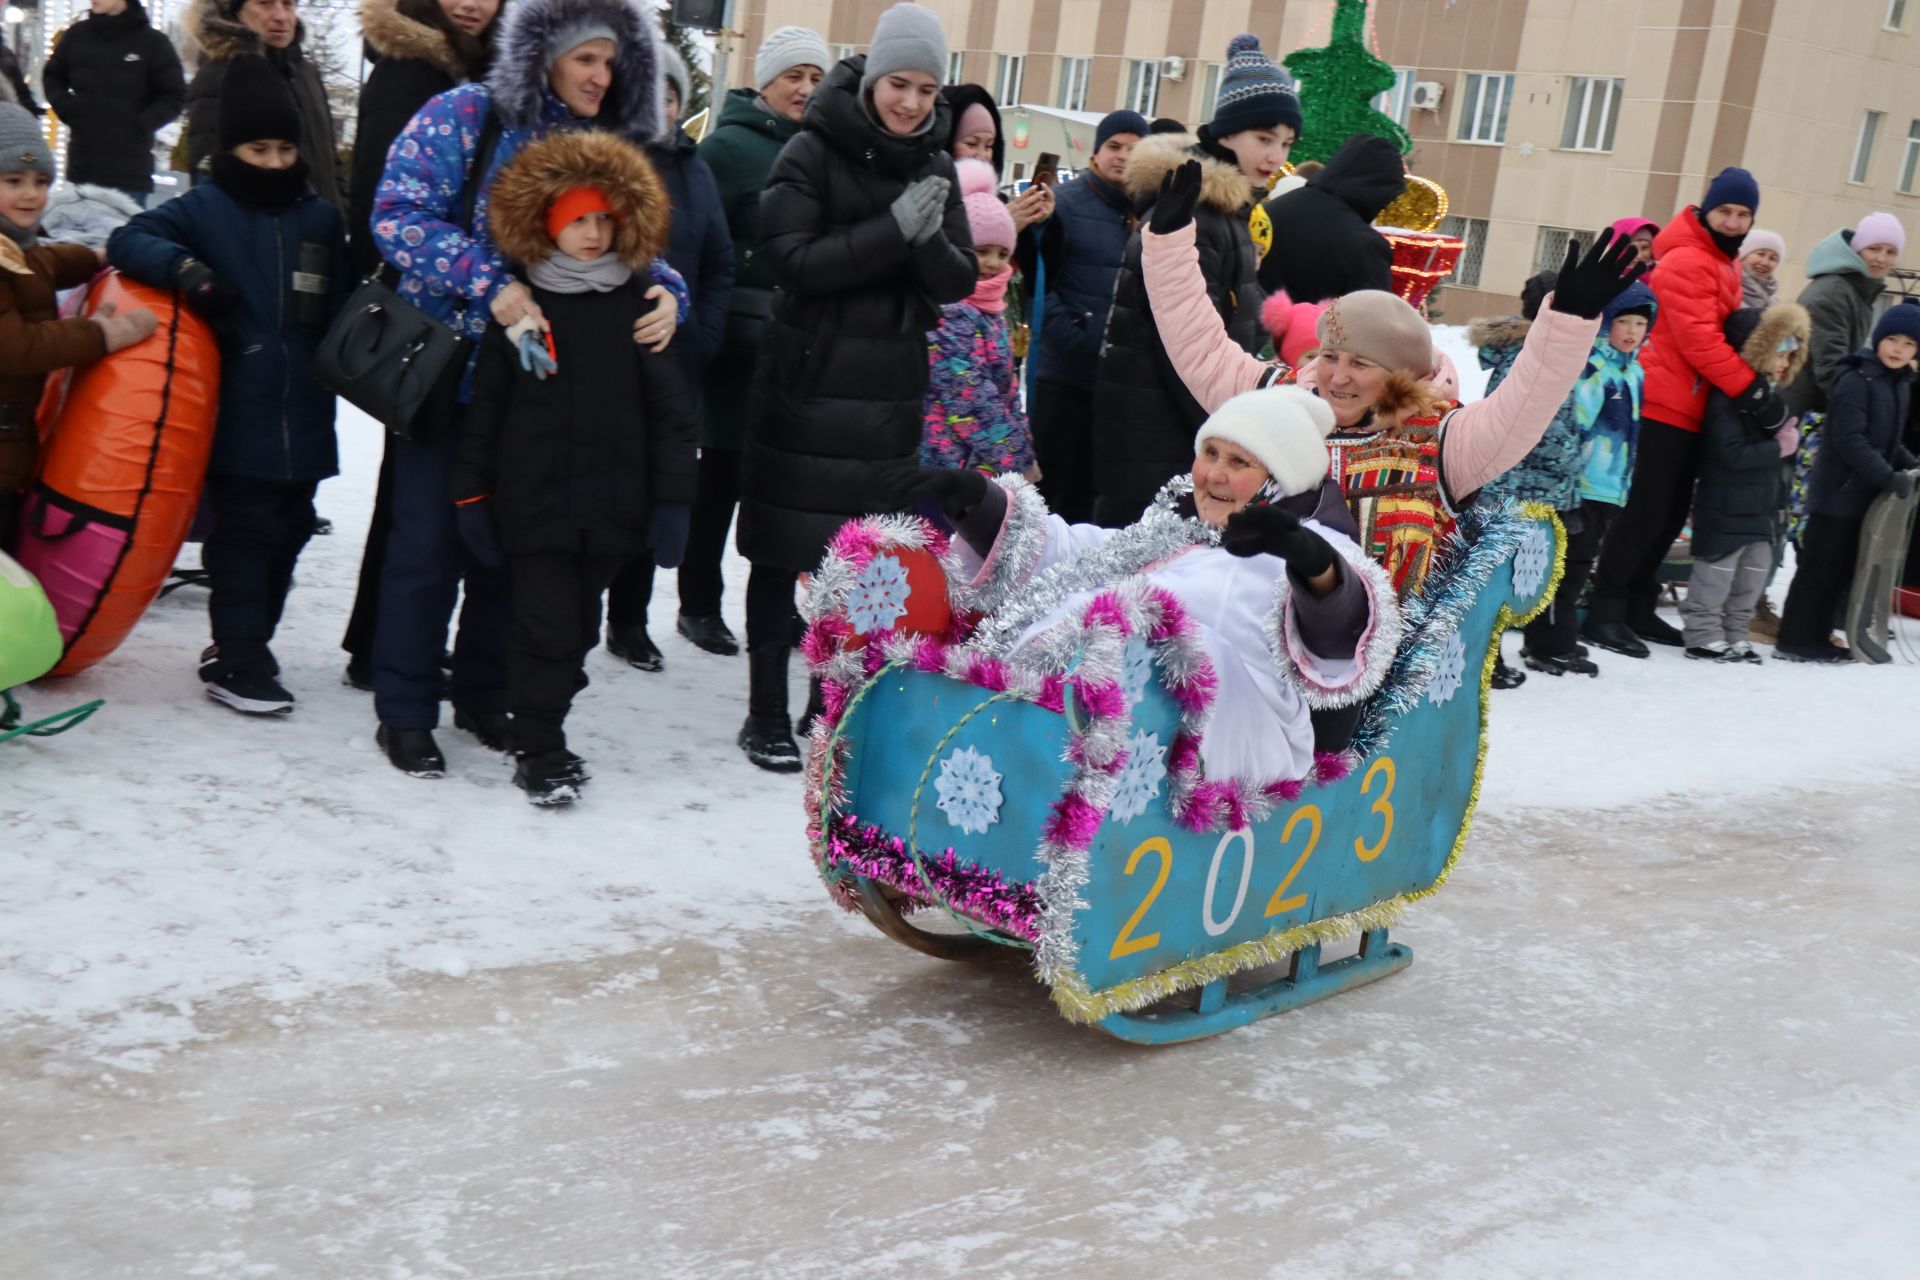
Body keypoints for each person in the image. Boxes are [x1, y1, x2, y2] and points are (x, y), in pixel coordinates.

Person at [367, 0, 688, 778]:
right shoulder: (465, 113)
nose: (600, 76)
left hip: (541, 399)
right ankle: (404, 710)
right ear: (545, 53)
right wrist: (488, 283)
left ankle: (483, 695)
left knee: (509, 559)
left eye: (611, 63)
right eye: (586, 59)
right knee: (427, 549)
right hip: (448, 376)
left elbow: (630, 244)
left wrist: (671, 291)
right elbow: (397, 215)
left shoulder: (600, 147)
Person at [1139, 165, 1646, 598]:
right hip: (1247, 632)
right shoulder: (1274, 400)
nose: (1338, 375)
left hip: (1377, 670)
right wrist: (1167, 245)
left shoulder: (1444, 440)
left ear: (1401, 373)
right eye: (1332, 355)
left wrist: (1568, 321)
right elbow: (1196, 341)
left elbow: (1525, 405)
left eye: (1362, 364)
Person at [897, 385, 1399, 784]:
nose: (1214, 476)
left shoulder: (1309, 542)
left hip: (1236, 741)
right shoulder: (1180, 527)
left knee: (1149, 619)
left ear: (1279, 480)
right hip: (1120, 713)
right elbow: (1081, 555)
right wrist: (976, 504)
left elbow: (1345, 630)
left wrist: (1311, 564)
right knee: (1111, 607)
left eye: (1240, 463)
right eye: (1211, 453)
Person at [738, 2, 975, 771]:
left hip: (887, 398)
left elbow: (958, 279)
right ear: (872, 79)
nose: (910, 102)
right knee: (784, 551)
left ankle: (825, 703)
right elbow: (790, 262)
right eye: (898, 83)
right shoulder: (812, 150)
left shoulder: (937, 164)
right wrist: (893, 233)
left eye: (925, 89)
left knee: (858, 561)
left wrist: (930, 236)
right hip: (807, 387)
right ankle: (766, 711)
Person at [453, 129, 696, 802]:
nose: (591, 234)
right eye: (576, 220)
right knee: (545, 627)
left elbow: (673, 415)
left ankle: (541, 722)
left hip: (613, 508)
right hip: (535, 504)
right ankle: (540, 746)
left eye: (601, 219)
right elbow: (488, 412)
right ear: (548, 225)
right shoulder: (524, 309)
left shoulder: (639, 304)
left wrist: (674, 503)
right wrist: (471, 493)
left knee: (578, 629)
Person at [107, 55, 350, 713]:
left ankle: (247, 645)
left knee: (291, 532)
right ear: (230, 149)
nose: (274, 161)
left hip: (305, 411)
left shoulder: (321, 220)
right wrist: (187, 271)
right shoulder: (201, 209)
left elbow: (343, 301)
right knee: (245, 538)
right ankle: (239, 658)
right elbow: (128, 238)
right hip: (237, 412)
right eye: (258, 148)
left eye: (284, 148)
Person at [338, 0, 505, 692]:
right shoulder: (409, 73)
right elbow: (381, 207)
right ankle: (379, 643)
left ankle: (387, 640)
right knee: (413, 503)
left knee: (429, 500)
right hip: (428, 316)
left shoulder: (497, 67)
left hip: (473, 327)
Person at [1091, 32, 1299, 527]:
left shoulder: (1227, 211)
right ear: (1227, 134)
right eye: (1264, 139)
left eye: (1287, 143)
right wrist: (1229, 430)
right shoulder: (1198, 213)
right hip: (1163, 427)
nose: (1275, 155)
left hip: (1182, 422)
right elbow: (1182, 341)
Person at [1583, 168, 1774, 657]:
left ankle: (1637, 606)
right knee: (1644, 514)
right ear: (1705, 211)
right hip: (1664, 402)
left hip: (1690, 408)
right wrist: (1753, 392)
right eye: (1724, 211)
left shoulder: (1722, 262)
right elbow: (1699, 340)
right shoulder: (1689, 259)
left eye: (1742, 214)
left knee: (1667, 518)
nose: (1732, 222)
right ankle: (1606, 610)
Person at [682, 24, 827, 662]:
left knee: (774, 491)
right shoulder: (727, 149)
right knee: (717, 480)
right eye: (794, 75)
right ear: (765, 79)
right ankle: (697, 602)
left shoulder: (820, 151)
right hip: (734, 348)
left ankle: (771, 608)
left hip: (792, 350)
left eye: (817, 78)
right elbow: (701, 244)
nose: (805, 88)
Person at [600, 44, 735, 673]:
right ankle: (579, 610)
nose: (663, 106)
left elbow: (718, 263)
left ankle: (628, 620)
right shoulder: (604, 158)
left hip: (675, 359)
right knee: (604, 487)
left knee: (657, 489)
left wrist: (701, 336)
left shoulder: (695, 169)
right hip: (605, 359)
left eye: (673, 95)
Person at [1480, 283, 1658, 679]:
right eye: (1622, 321)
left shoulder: (1632, 370)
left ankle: (1553, 638)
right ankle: (1546, 643)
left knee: (1570, 565)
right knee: (1553, 567)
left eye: (1639, 323)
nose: (1631, 331)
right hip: (1568, 486)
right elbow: (1565, 427)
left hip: (1600, 486)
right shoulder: (1588, 368)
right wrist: (1572, 473)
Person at [0, 101, 156, 544]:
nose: (31, 195)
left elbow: (48, 263)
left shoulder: (20, 246)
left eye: (41, 182)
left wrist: (102, 255)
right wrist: (99, 335)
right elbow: (16, 347)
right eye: (14, 181)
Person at [1776, 303, 1920, 662]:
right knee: (1819, 567)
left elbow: (1890, 441)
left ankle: (1817, 636)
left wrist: (1911, 465)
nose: (1898, 349)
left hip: (1865, 495)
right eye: (1892, 339)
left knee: (1841, 570)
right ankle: (1794, 639)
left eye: (1908, 343)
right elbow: (1849, 438)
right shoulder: (1857, 378)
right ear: (1878, 338)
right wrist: (1889, 476)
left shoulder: (1899, 384)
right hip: (1838, 493)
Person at [1025, 107, 1144, 522]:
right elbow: (1040, 281)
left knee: (1093, 497)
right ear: (1096, 153)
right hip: (1063, 376)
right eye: (1114, 146)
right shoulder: (1067, 203)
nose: (1123, 156)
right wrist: (1075, 334)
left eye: (1134, 149)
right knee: (1049, 493)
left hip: (1116, 383)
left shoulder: (1149, 213)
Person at [1682, 303, 1809, 662]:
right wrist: (1778, 447)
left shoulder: (1771, 400)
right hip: (1724, 504)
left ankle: (1737, 631)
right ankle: (1703, 632)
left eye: (1790, 356)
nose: (1783, 363)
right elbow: (1732, 455)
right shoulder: (1728, 399)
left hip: (1759, 511)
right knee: (1716, 575)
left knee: (1752, 577)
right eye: (1778, 354)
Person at [920, 158, 1033, 477]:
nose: (993, 263)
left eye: (1002, 253)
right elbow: (969, 397)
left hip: (980, 462)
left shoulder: (991, 308)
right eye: (981, 250)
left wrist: (1022, 439)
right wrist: (1017, 458)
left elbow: (1007, 387)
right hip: (948, 465)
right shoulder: (951, 310)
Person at [184, 0, 341, 210]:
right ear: (236, 11)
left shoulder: (306, 73)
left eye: (288, 4)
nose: (281, 16)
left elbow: (331, 161)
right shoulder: (221, 74)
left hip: (319, 231)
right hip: (261, 234)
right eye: (265, 4)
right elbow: (208, 174)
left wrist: (340, 212)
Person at [41, 0, 186, 203]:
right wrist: (69, 110)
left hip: (130, 176)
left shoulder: (152, 43)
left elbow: (175, 95)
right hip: (83, 171)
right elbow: (52, 76)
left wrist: (141, 123)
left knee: (125, 234)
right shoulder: (77, 35)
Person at [1257, 131, 1404, 304]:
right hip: (1313, 330)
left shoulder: (1271, 210)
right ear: (1380, 190)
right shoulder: (1366, 246)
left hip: (1239, 326)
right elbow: (1372, 321)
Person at [942, 83, 1050, 235]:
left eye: (989, 146)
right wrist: (1000, 226)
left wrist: (1038, 222)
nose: (982, 155)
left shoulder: (998, 202)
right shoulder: (933, 199)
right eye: (972, 144)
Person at [1740, 229, 1784, 309]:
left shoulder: (1772, 298)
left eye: (1772, 258)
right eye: (1761, 254)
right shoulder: (1729, 286)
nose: (1765, 263)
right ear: (1744, 254)